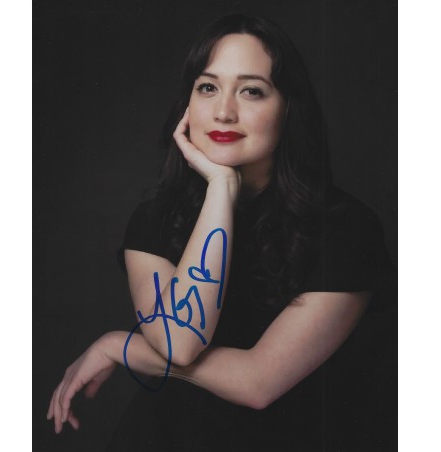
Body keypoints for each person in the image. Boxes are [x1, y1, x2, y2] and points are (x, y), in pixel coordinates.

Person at [47, 14, 396, 451]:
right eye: (208, 87)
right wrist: (221, 188)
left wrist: (121, 346)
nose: (224, 112)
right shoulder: (155, 219)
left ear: (288, 107)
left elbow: (258, 383)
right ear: (188, 104)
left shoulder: (346, 229)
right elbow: (179, 342)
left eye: (251, 91)